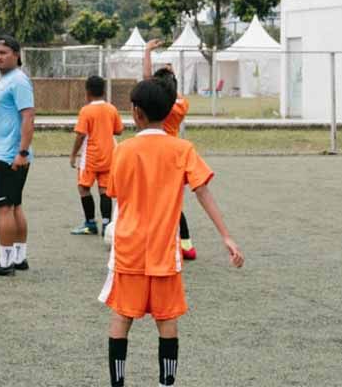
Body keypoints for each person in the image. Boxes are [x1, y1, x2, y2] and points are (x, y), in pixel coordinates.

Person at [99, 79, 244, 387]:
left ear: (136, 113)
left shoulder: (123, 150)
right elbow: (202, 191)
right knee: (167, 320)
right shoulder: (182, 149)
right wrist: (226, 236)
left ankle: (118, 383)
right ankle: (166, 384)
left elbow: (114, 193)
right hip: (165, 252)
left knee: (121, 317)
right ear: (169, 114)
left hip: (129, 250)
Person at [0, 36, 35, 276]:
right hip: (7, 152)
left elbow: (28, 116)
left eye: (3, 52)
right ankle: (19, 258)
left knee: (4, 208)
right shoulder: (6, 79)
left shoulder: (18, 81)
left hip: (10, 155)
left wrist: (21, 152)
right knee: (15, 205)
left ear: (16, 54)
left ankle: (5, 262)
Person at [144, 39, 196, 261]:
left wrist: (147, 51)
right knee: (173, 201)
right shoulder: (182, 104)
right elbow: (173, 90)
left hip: (155, 153)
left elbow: (146, 81)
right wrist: (171, 75)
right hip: (175, 155)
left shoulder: (157, 103)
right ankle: (186, 244)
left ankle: (158, 243)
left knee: (152, 201)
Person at [69, 75, 124, 236]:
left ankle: (90, 223)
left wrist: (73, 155)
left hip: (90, 157)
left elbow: (80, 135)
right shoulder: (111, 109)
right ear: (104, 91)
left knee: (83, 188)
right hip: (109, 155)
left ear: (87, 92)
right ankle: (107, 225)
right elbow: (119, 130)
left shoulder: (86, 111)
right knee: (104, 190)